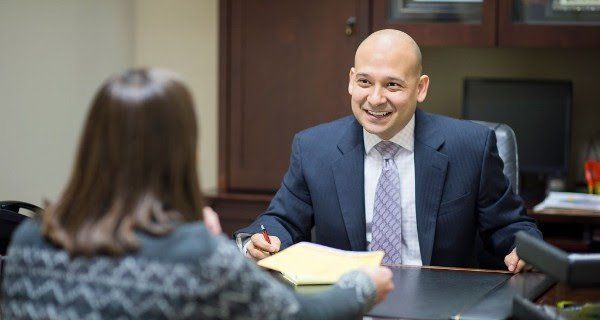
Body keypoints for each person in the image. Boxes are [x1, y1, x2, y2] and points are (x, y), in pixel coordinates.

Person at [0, 69, 394, 319]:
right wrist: (363, 286)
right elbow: (295, 316)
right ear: (183, 151)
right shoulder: (194, 256)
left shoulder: (29, 239)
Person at [235, 29, 542, 273]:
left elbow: (511, 226)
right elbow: (282, 221)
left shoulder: (471, 147)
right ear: (351, 81)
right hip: (350, 302)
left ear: (420, 88)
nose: (375, 98)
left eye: (392, 85)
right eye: (365, 82)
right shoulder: (315, 148)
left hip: (441, 305)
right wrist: (261, 241)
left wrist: (523, 248)